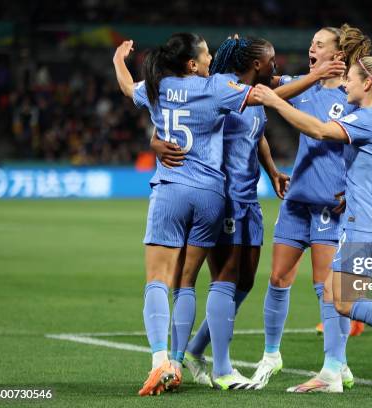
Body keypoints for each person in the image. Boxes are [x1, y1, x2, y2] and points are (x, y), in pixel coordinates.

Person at [149, 36, 346, 390]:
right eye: (271, 61)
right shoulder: (225, 92)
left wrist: (271, 172)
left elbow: (257, 134)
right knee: (223, 279)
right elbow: (181, 121)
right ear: (256, 64)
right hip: (223, 198)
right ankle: (215, 366)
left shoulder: (250, 96)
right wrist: (155, 140)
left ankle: (193, 350)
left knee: (245, 282)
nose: (276, 66)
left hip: (248, 202)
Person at [252, 55, 372, 392]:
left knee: (342, 299)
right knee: (332, 293)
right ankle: (330, 373)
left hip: (367, 224)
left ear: (368, 83)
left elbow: (319, 130)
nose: (345, 85)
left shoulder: (368, 118)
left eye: (351, 80)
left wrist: (272, 101)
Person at [113, 33, 263, 395]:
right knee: (186, 283)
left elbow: (125, 87)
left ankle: (160, 362)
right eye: (206, 53)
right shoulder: (214, 88)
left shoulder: (156, 86)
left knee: (158, 279)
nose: (210, 58)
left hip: (171, 190)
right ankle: (178, 361)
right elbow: (257, 100)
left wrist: (119, 59)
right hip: (211, 194)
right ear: (192, 63)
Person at [251, 24, 371, 389]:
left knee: (326, 288)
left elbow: (368, 152)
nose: (311, 48)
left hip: (328, 205)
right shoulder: (302, 86)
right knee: (277, 278)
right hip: (296, 200)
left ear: (338, 55)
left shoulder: (353, 100)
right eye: (310, 43)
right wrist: (314, 75)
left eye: (319, 44)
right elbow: (264, 95)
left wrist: (356, 191)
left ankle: (335, 365)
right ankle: (272, 354)